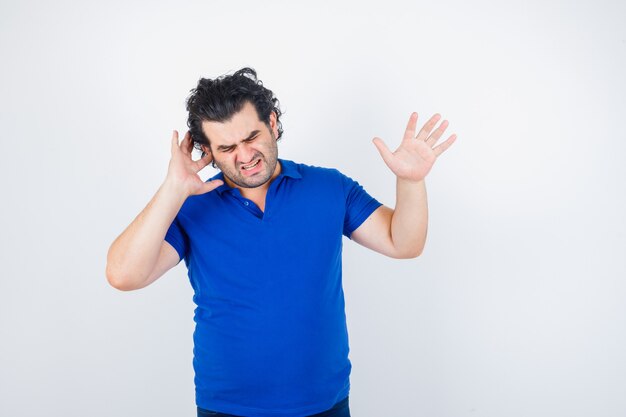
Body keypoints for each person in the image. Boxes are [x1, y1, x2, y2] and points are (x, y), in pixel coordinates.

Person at [106, 67, 457, 417]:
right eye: (226, 147)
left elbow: (403, 242)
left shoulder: (329, 188)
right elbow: (123, 275)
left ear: (272, 123)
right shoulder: (191, 206)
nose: (244, 156)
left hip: (324, 405)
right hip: (227, 408)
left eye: (251, 138)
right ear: (207, 152)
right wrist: (172, 190)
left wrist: (410, 182)